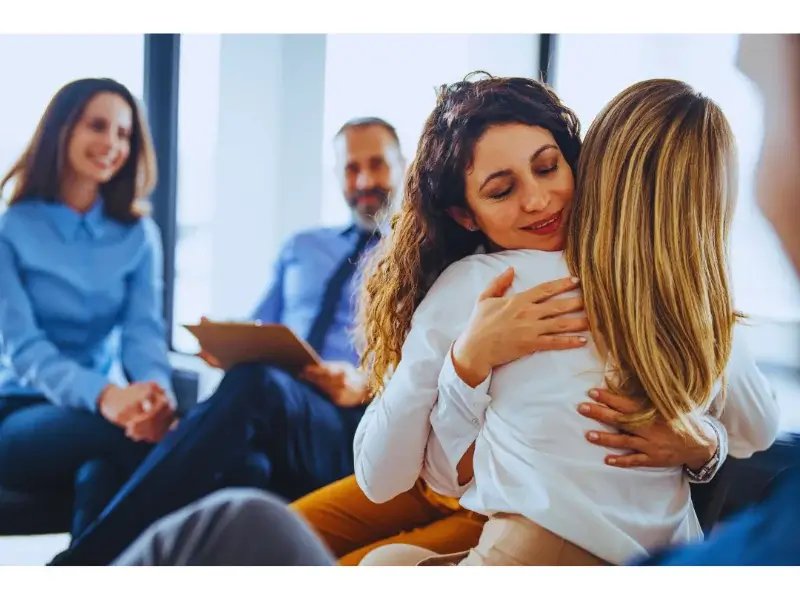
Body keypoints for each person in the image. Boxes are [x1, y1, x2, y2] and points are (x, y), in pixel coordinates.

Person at [353, 75, 779, 566]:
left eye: (548, 167)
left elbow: (385, 476)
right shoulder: (694, 298)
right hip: (674, 558)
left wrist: (464, 362)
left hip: (537, 552)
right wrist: (705, 444)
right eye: (502, 190)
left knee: (379, 564)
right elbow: (760, 431)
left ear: (584, 163)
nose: (537, 201)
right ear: (464, 215)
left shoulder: (480, 286)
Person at [47, 116, 406, 566]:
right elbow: (263, 325)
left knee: (254, 386)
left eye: (377, 164)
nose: (365, 179)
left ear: (403, 164)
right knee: (242, 463)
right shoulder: (302, 247)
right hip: (280, 404)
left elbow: (427, 364)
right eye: (351, 169)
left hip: (352, 422)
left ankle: (80, 568)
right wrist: (228, 340)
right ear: (336, 176)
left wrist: (364, 382)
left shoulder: (419, 253)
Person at [633, 33, 800, 567]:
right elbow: (759, 428)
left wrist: (705, 444)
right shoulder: (702, 312)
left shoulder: (703, 315)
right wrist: (707, 443)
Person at [0, 78, 177, 540]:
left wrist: (156, 396)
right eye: (97, 126)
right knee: (123, 440)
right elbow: (23, 349)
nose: (111, 144)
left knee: (104, 470)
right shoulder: (10, 229)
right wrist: (106, 397)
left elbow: (143, 334)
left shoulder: (139, 236)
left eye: (123, 134)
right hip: (17, 410)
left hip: (103, 416)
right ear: (61, 131)